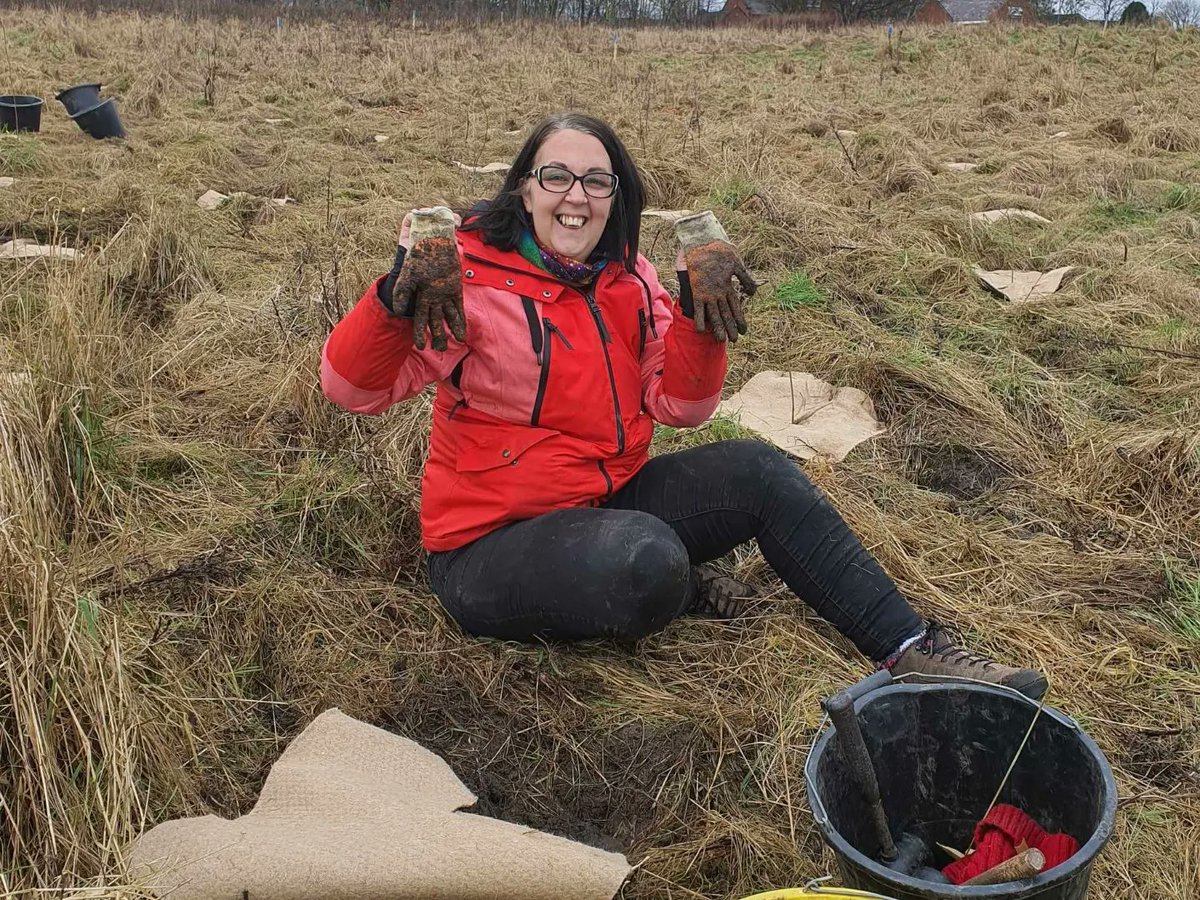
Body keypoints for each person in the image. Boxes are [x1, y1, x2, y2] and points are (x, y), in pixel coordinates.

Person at [321, 111, 1047, 700]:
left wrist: (700, 323)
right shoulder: (467, 279)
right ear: (525, 189)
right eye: (557, 176)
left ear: (616, 197)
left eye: (597, 181)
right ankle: (676, 579)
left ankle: (912, 649)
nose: (576, 196)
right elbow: (353, 391)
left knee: (761, 472)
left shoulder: (628, 278)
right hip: (488, 545)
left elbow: (681, 405)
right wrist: (392, 301)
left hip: (605, 501)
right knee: (648, 565)